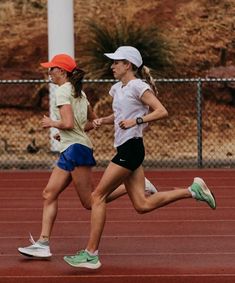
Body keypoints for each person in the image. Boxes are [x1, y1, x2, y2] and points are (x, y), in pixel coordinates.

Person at [63, 46, 216, 269]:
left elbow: (161, 111)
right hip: (124, 149)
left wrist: (137, 122)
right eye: (112, 62)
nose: (112, 66)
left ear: (129, 65)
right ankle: (193, 191)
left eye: (117, 62)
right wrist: (103, 121)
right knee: (142, 205)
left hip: (131, 149)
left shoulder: (138, 86)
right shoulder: (117, 88)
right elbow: (121, 114)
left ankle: (91, 254)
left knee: (97, 197)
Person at [17, 53, 157, 259]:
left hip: (76, 150)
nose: (49, 73)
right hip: (73, 147)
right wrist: (67, 131)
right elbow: (90, 122)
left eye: (52, 69)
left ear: (62, 72)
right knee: (49, 193)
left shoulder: (63, 92)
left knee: (91, 202)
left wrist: (53, 124)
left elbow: (69, 124)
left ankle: (141, 186)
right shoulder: (79, 93)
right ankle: (43, 243)